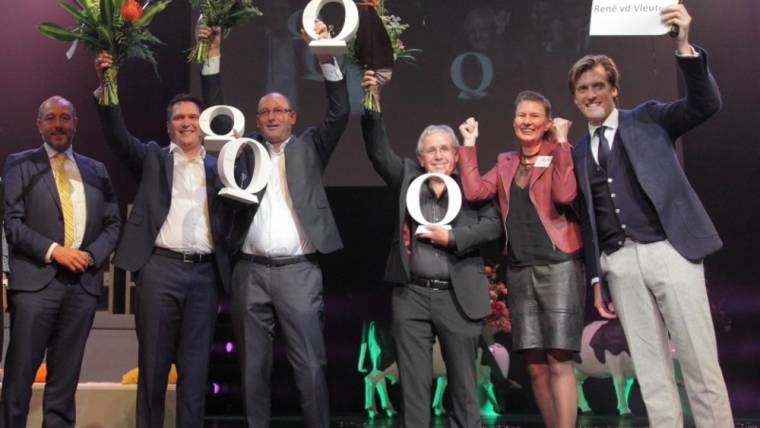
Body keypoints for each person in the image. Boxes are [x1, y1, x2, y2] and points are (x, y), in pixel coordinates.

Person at [568, 4, 733, 426]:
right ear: (575, 96)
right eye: (583, 89)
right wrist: (597, 275)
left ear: (614, 90)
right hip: (619, 263)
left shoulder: (649, 119)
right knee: (650, 369)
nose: (591, 95)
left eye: (599, 86)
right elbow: (588, 220)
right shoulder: (579, 152)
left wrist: (682, 45)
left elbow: (705, 103)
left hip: (669, 251)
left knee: (698, 360)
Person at [198, 20, 349, 427]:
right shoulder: (244, 152)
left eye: (278, 110)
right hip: (250, 271)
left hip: (298, 272)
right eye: (263, 112)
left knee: (310, 367)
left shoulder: (311, 148)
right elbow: (215, 114)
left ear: (293, 117)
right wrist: (211, 57)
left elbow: (340, 112)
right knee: (253, 371)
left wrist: (326, 58)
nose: (270, 117)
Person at [93, 53, 232, 428]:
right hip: (160, 270)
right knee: (153, 369)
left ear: (203, 124)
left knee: (195, 371)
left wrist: (214, 57)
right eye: (178, 118)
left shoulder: (221, 164)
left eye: (192, 117)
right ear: (168, 126)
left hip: (204, 276)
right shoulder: (154, 158)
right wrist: (108, 85)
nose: (185, 123)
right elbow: (118, 136)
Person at [360, 70, 502, 428]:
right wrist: (373, 101)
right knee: (414, 390)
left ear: (456, 155)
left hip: (458, 297)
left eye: (445, 149)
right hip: (412, 297)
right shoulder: (408, 178)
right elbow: (378, 151)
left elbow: (493, 225)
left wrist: (453, 239)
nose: (438, 156)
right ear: (420, 159)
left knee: (465, 392)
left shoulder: (472, 186)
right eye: (431, 151)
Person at [457, 90, 584, 428]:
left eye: (534, 116)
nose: (526, 121)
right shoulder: (505, 162)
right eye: (521, 115)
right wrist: (468, 145)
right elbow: (473, 193)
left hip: (559, 265)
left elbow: (565, 194)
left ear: (547, 124)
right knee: (534, 364)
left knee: (558, 360)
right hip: (520, 268)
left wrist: (562, 144)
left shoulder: (557, 152)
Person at [1, 96, 121, 427]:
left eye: (65, 118)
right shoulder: (20, 165)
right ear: (38, 124)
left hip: (81, 286)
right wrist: (56, 250)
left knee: (64, 380)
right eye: (51, 118)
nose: (58, 124)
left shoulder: (96, 170)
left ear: (76, 123)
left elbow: (113, 224)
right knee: (19, 377)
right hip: (35, 285)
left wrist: (92, 255)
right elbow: (12, 224)